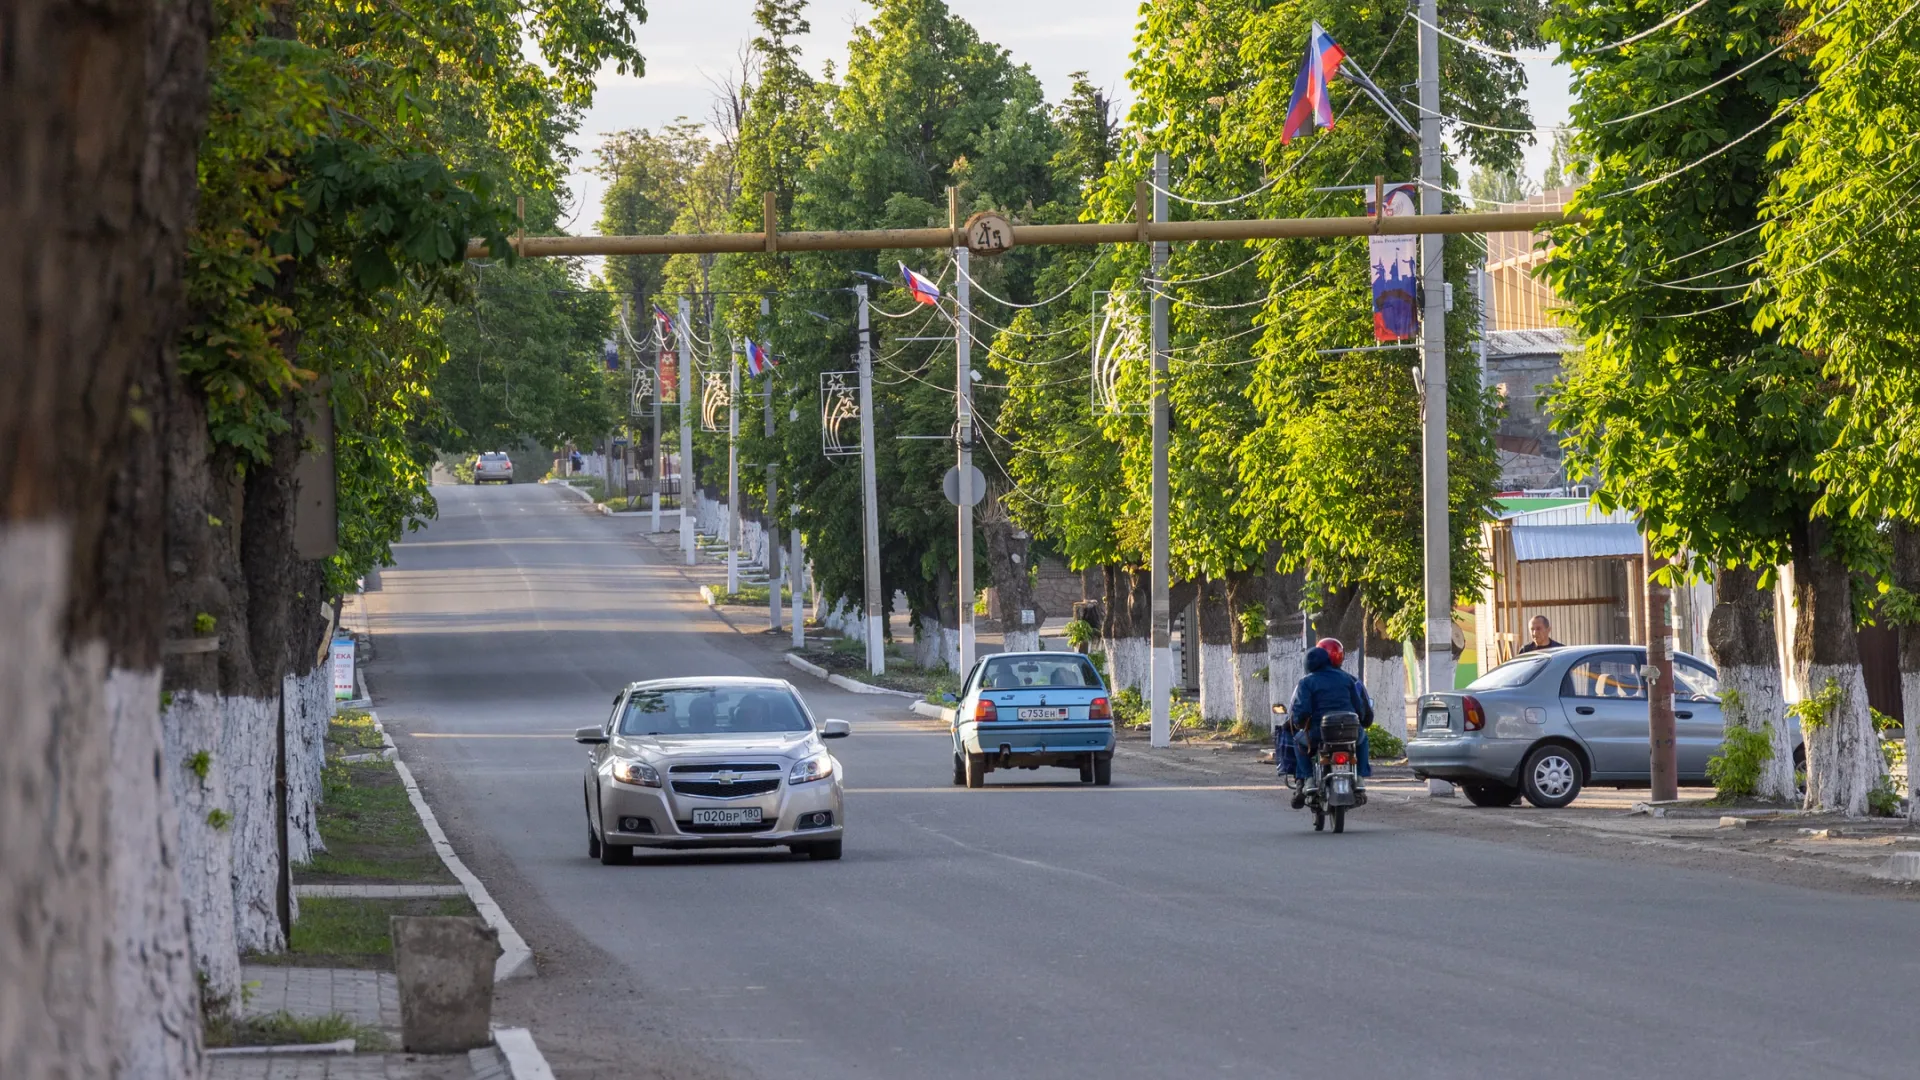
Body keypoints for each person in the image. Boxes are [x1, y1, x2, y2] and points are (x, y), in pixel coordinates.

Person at [1283, 637, 1373, 809]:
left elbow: (1302, 710)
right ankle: (1360, 776)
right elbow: (1359, 707)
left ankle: (1307, 778)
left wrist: (1297, 723)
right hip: (1350, 732)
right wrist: (1360, 720)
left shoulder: (1306, 682)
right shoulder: (1348, 679)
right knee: (1363, 739)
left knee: (1298, 743)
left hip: (1319, 734)